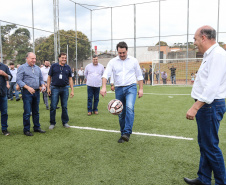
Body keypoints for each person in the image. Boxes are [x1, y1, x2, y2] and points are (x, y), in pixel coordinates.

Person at [184, 26, 226, 185]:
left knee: (211, 147)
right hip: (208, 106)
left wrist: (195, 107)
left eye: (195, 39)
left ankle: (222, 182)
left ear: (203, 37)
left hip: (210, 106)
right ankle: (204, 178)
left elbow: (212, 86)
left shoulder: (217, 54)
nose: (194, 43)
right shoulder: (211, 54)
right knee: (205, 145)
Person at [100, 41, 143, 143]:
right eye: (120, 53)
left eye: (123, 52)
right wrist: (104, 87)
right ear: (117, 51)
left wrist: (141, 89)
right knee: (120, 112)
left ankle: (127, 133)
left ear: (127, 50)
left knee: (129, 107)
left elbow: (139, 75)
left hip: (131, 87)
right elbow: (106, 74)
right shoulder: (112, 62)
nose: (122, 55)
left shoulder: (133, 61)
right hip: (118, 88)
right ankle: (122, 133)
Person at [17, 52, 46, 136]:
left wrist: (43, 85)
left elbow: (40, 79)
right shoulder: (22, 68)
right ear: (27, 58)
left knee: (36, 111)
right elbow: (19, 80)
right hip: (27, 92)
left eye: (35, 58)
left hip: (37, 92)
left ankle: (37, 127)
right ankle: (26, 130)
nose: (34, 60)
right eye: (32, 58)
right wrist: (28, 87)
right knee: (27, 112)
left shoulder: (37, 68)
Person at [47, 52, 74, 130]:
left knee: (64, 106)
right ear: (59, 58)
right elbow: (49, 77)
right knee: (53, 106)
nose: (64, 59)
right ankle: (52, 123)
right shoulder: (53, 66)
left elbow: (70, 79)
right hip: (55, 88)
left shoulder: (68, 67)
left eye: (65, 58)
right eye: (62, 57)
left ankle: (65, 122)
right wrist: (48, 88)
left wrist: (72, 90)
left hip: (65, 88)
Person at [0, 62, 12, 136]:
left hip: (2, 93)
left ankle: (4, 129)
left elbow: (10, 77)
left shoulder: (4, 67)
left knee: (4, 112)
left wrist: (5, 74)